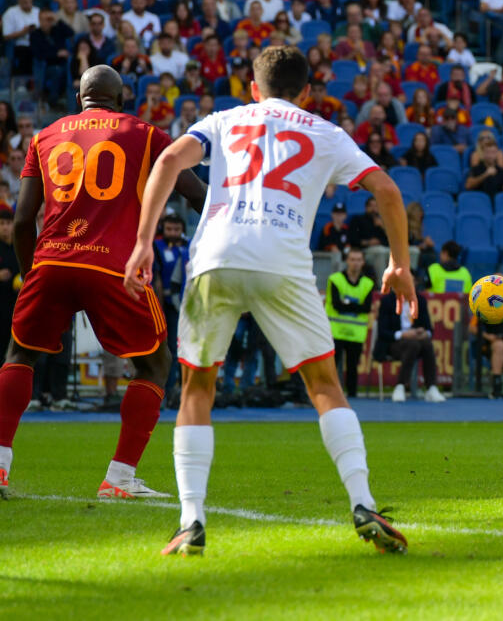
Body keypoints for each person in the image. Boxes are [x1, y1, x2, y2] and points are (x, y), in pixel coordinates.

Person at [123, 46, 412, 555]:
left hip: (216, 258)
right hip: (283, 261)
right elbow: (386, 188)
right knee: (324, 383)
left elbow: (168, 160)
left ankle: (191, 519)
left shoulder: (226, 119)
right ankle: (362, 501)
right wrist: (399, 264)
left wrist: (145, 241)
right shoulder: (325, 130)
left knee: (197, 386)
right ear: (306, 92)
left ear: (252, 89)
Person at [0, 65, 206, 500]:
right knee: (155, 364)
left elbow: (22, 221)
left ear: (80, 99)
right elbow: (195, 193)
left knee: (20, 354)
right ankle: (119, 477)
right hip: (113, 266)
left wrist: (31, 270)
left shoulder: (45, 136)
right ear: (122, 98)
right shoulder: (146, 135)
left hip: (52, 260)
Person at [374, 290, 445, 404]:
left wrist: (423, 332)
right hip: (392, 343)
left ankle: (431, 388)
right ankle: (400, 386)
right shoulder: (387, 301)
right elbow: (382, 331)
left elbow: (428, 328)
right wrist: (403, 334)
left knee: (426, 343)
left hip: (416, 342)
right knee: (413, 344)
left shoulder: (420, 300)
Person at [326, 248, 374, 399]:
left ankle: (352, 396)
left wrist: (345, 303)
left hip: (356, 333)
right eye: (352, 259)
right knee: (332, 366)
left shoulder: (368, 283)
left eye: (358, 260)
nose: (355, 263)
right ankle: (331, 394)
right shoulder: (335, 279)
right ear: (347, 261)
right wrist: (354, 306)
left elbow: (366, 308)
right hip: (336, 331)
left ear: (363, 262)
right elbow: (336, 305)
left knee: (353, 367)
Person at [153, 214, 189, 397]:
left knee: (178, 348)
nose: (173, 233)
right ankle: (163, 389)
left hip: (184, 304)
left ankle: (176, 388)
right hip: (161, 303)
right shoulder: (156, 247)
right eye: (169, 229)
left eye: (177, 229)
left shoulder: (189, 246)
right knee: (163, 349)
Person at [0, 205, 17, 359]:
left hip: (16, 309)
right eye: (2, 224)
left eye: (8, 223)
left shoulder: (20, 247)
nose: (5, 227)